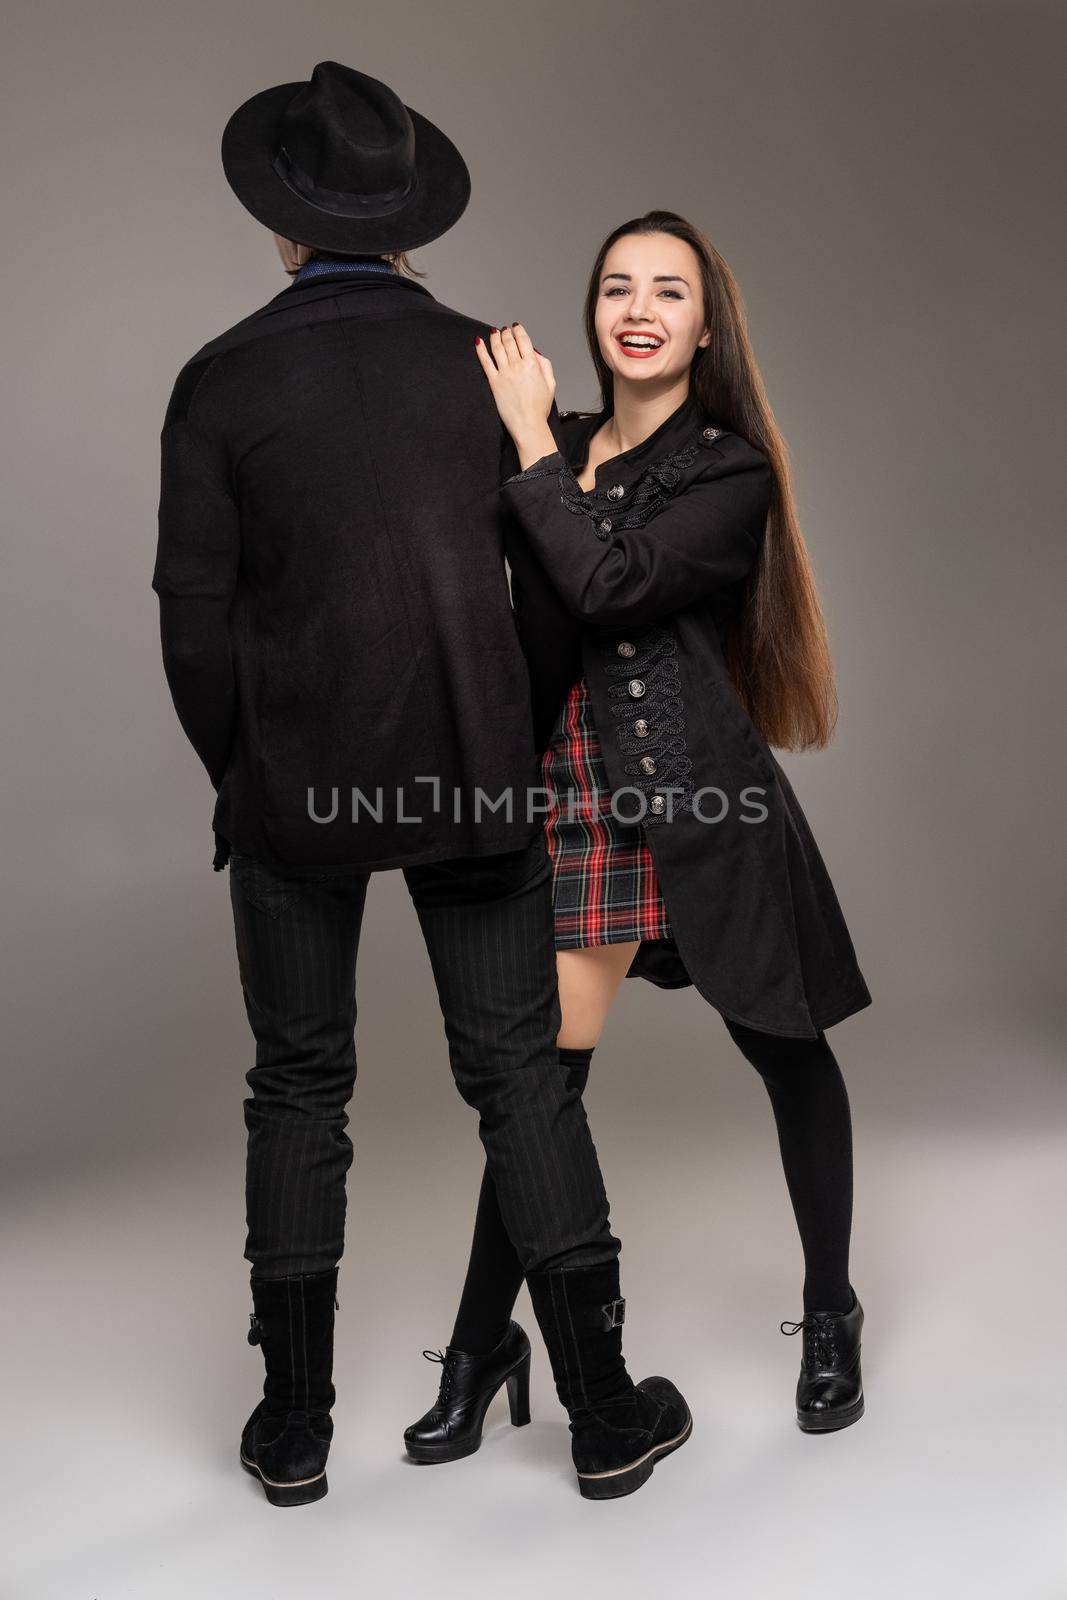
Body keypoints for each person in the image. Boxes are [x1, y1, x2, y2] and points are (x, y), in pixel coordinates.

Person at [152, 63, 691, 1506]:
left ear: (281, 223)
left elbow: (193, 622)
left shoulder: (219, 381)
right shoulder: (495, 369)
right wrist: (502, 746)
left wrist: (249, 775)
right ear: (406, 224)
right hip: (475, 778)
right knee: (520, 1078)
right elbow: (556, 598)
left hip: (295, 791)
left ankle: (293, 1429)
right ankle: (600, 1411)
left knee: (297, 1086)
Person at [404, 211, 873, 1463]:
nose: (638, 306)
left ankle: (830, 1310)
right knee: (538, 1093)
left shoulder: (729, 469)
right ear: (592, 314)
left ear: (704, 325)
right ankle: (477, 1348)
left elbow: (610, 585)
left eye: (668, 290)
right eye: (616, 286)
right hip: (574, 794)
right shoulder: (549, 450)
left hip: (698, 798)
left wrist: (523, 452)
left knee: (787, 1051)